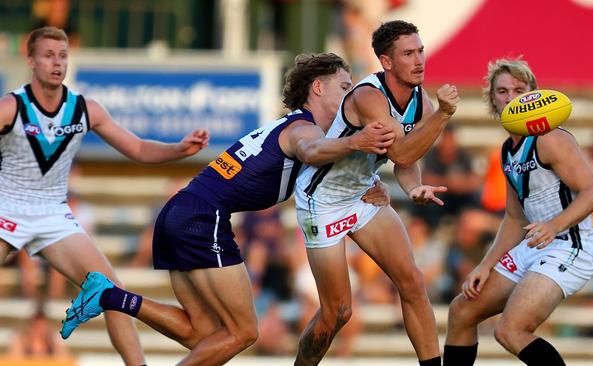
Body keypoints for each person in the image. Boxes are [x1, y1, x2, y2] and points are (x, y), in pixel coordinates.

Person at [60, 52, 396, 365]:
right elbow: (311, 151)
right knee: (244, 331)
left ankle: (110, 297)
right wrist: (356, 141)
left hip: (180, 211)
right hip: (203, 217)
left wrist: (368, 181)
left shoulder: (296, 126)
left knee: (203, 334)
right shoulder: (303, 129)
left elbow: (325, 166)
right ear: (318, 87)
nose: (352, 96)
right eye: (345, 86)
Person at [0, 26, 210, 365]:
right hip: (6, 208)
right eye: (49, 55)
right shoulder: (10, 107)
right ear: (31, 61)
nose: (57, 63)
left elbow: (139, 148)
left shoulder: (85, 109)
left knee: (112, 290)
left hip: (53, 214)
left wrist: (179, 149)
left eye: (63, 55)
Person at [293, 20, 459, 366]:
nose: (419, 61)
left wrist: (413, 187)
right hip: (321, 200)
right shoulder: (369, 96)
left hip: (363, 194)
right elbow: (399, 152)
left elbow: (407, 161)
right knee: (337, 312)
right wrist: (443, 115)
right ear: (386, 62)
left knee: (412, 281)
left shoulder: (422, 103)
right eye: (408, 54)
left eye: (421, 51)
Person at [442, 58, 593, 366]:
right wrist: (485, 265)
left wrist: (554, 225)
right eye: (502, 91)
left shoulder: (551, 138)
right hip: (534, 246)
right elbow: (515, 219)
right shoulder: (506, 150)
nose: (510, 97)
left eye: (519, 89)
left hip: (569, 246)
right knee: (461, 312)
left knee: (511, 330)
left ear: (534, 95)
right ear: (492, 98)